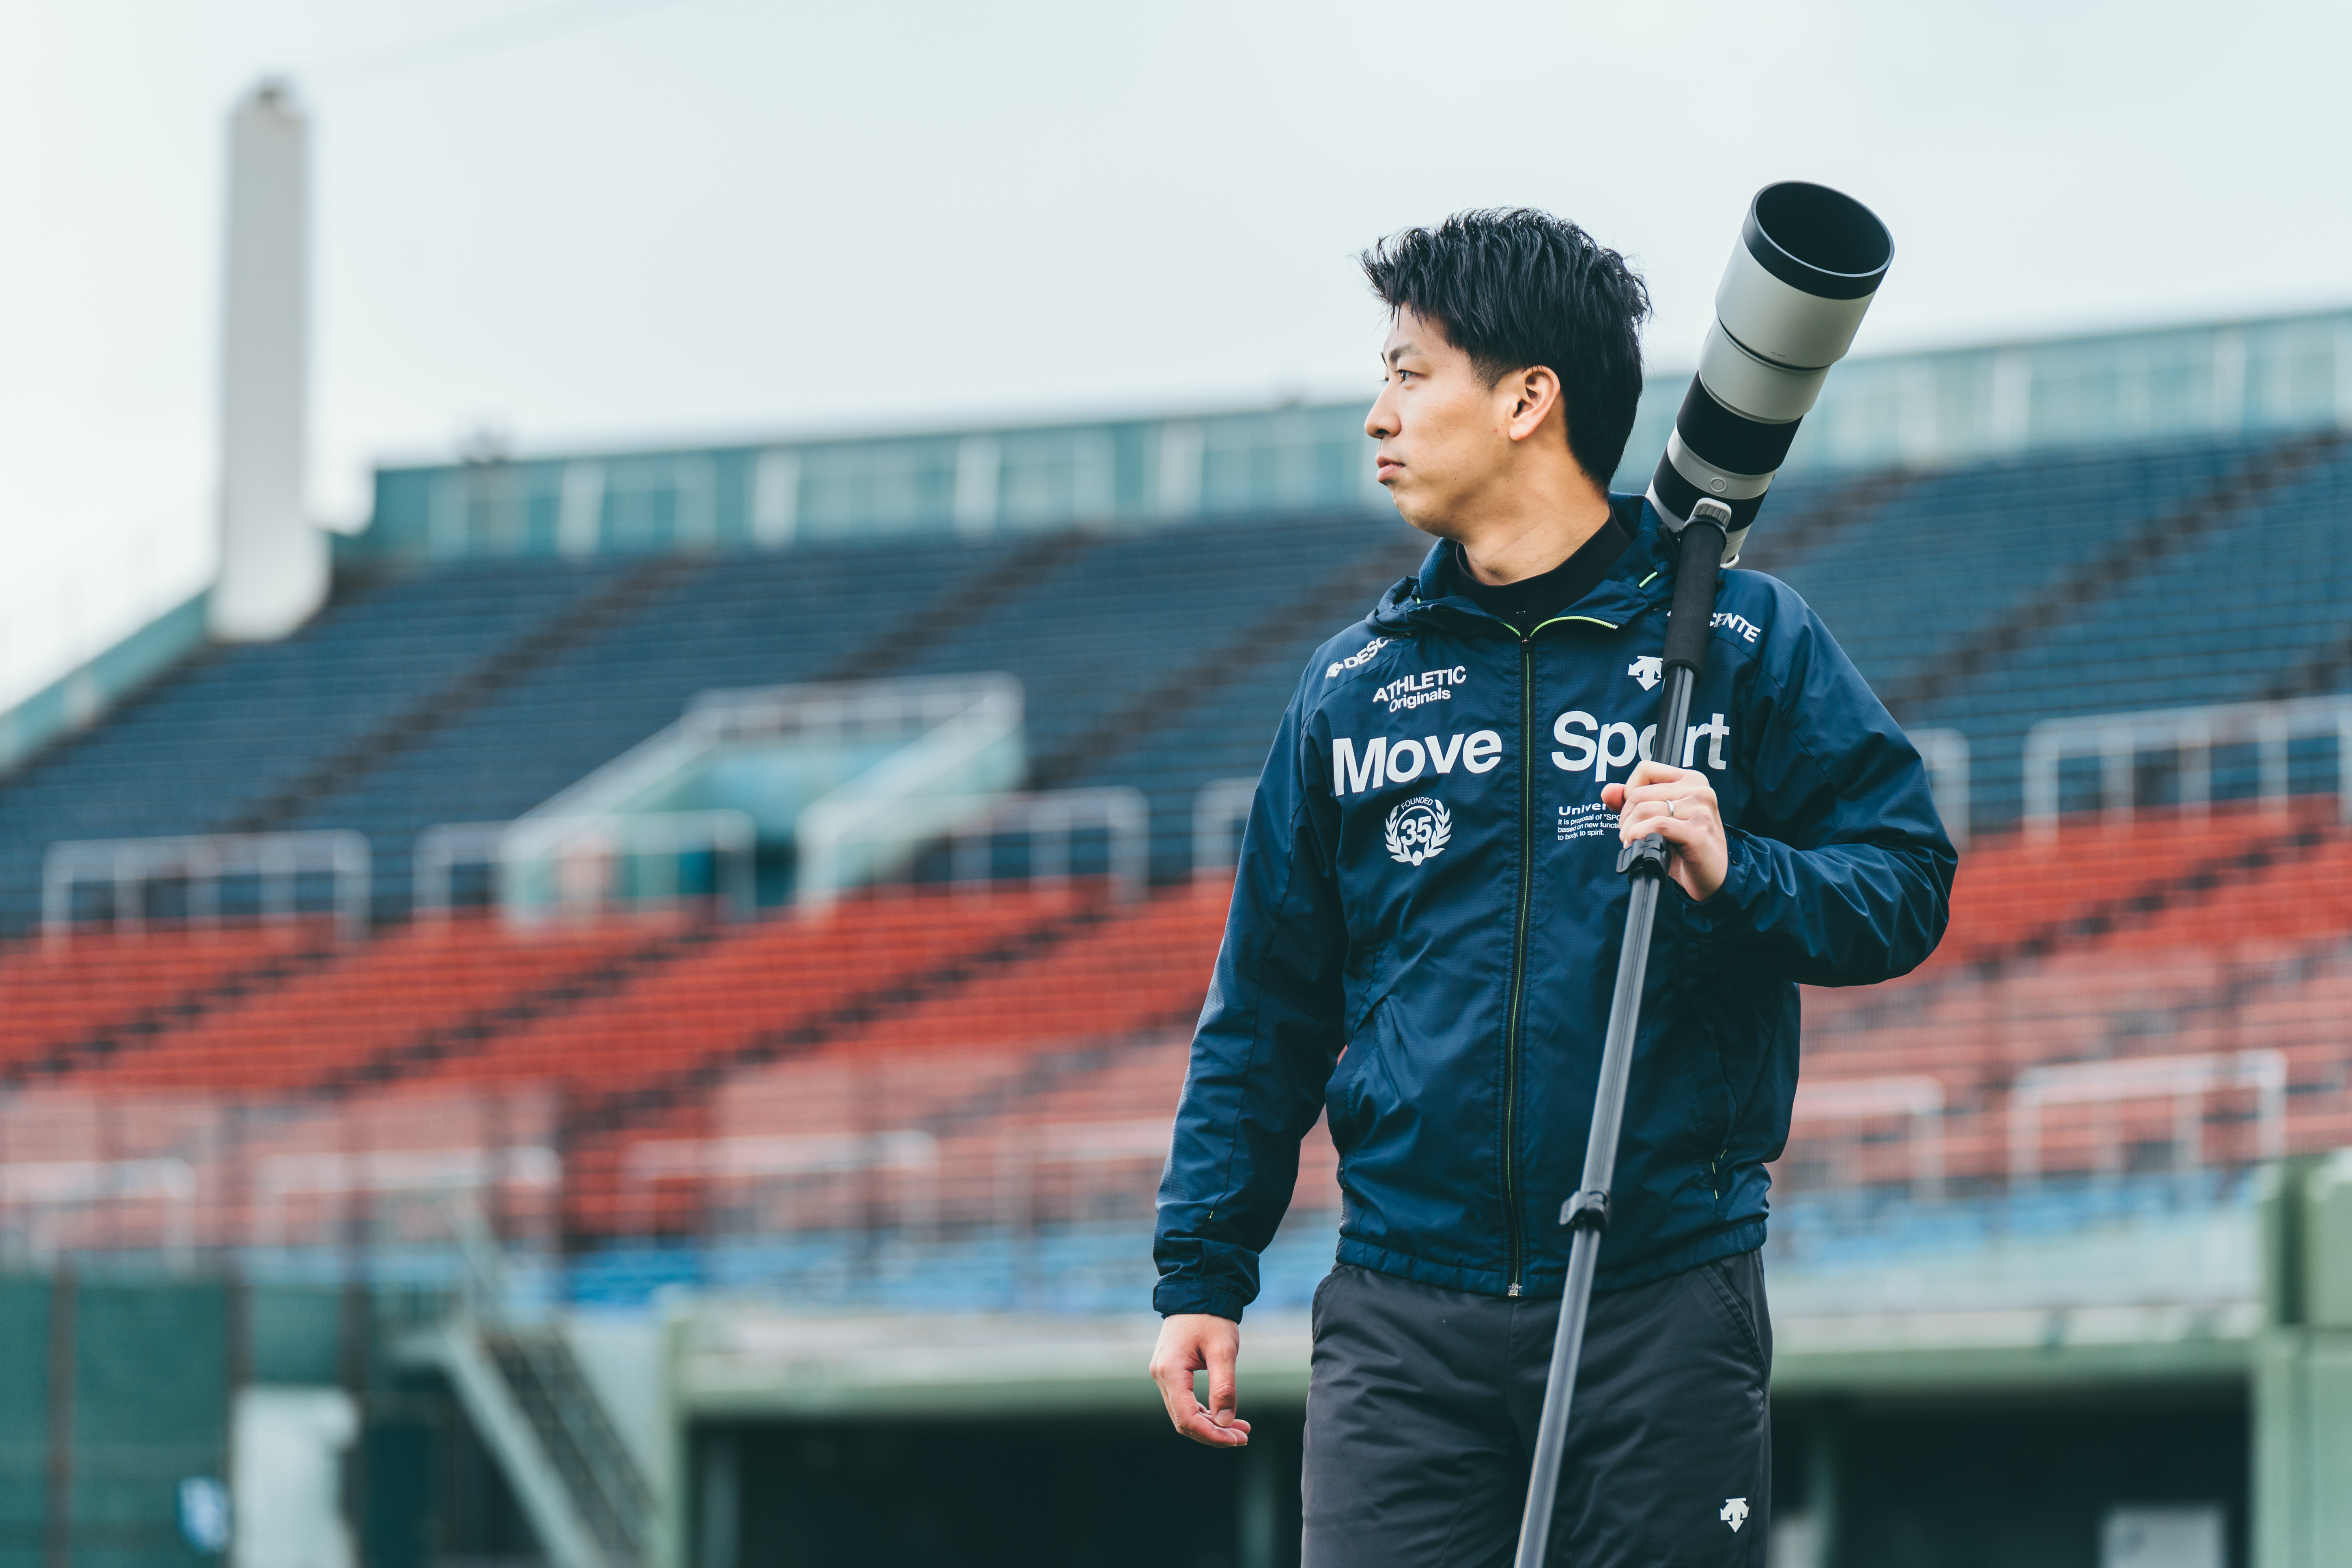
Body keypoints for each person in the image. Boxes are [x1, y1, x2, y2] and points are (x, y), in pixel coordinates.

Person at [1147, 209, 1954, 1566]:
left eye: (1410, 372)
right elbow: (1265, 1011)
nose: (1377, 414)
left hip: (1664, 1305)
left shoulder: (1743, 643)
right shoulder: (1348, 686)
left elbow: (1905, 882)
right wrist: (1202, 1271)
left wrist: (1736, 866)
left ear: (1528, 399)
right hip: (1405, 1320)